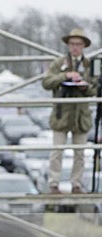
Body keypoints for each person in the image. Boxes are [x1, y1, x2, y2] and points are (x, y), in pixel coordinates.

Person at [42, 28, 98, 193]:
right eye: (72, 44)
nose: (75, 47)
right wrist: (65, 76)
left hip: (81, 116)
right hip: (61, 114)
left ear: (83, 46)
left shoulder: (89, 65)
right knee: (57, 151)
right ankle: (53, 184)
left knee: (79, 153)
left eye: (78, 44)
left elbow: (95, 88)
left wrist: (84, 86)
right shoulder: (59, 63)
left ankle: (76, 184)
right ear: (68, 45)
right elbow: (46, 82)